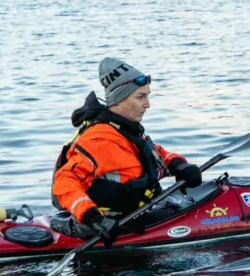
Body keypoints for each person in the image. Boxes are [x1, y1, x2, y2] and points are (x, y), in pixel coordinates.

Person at [51, 57, 203, 244]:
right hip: (107, 227)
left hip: (138, 213)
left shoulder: (124, 130)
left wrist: (179, 165)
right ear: (119, 99)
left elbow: (152, 152)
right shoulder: (99, 139)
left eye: (148, 96)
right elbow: (65, 181)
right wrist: (93, 219)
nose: (147, 104)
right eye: (140, 97)